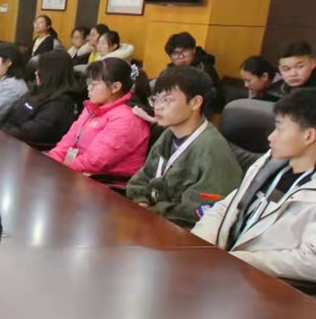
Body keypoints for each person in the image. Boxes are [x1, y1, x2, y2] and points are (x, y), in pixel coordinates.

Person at [192, 88, 316, 282]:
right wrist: (199, 244)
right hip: (223, 268)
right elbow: (228, 206)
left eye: (280, 129)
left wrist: (242, 260)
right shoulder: (268, 164)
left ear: (309, 136)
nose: (271, 137)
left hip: (266, 285)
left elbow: (311, 260)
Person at [126, 67, 243, 225]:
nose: (158, 107)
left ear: (195, 103)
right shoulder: (169, 134)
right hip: (153, 219)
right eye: (156, 99)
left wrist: (153, 210)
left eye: (167, 100)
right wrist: (141, 200)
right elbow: (143, 177)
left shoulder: (211, 149)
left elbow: (200, 211)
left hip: (182, 231)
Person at [47, 58, 150, 177]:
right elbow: (67, 142)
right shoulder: (91, 108)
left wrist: (60, 170)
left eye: (94, 84)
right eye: (89, 82)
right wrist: (50, 162)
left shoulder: (127, 119)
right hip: (75, 173)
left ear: (115, 87)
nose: (88, 88)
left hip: (102, 182)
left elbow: (95, 161)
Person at [0, 50, 83, 151]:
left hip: (27, 150)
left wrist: (1, 134)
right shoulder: (37, 90)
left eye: (41, 69)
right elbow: (10, 113)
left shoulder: (61, 103)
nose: (36, 72)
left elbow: (31, 133)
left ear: (53, 73)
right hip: (8, 139)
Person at [161, 31, 224, 117]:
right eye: (175, 53)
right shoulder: (169, 70)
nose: (181, 57)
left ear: (194, 50)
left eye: (184, 51)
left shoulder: (204, 69)